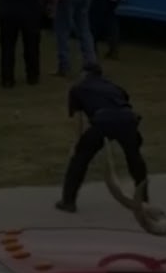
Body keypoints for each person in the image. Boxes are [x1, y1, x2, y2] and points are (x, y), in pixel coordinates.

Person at [55, 62, 150, 214]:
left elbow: (78, 120)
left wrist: (77, 143)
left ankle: (68, 201)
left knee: (80, 158)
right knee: (134, 158)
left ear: (84, 74)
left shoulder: (77, 89)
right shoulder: (115, 87)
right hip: (128, 119)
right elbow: (125, 104)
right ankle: (144, 199)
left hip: (103, 121)